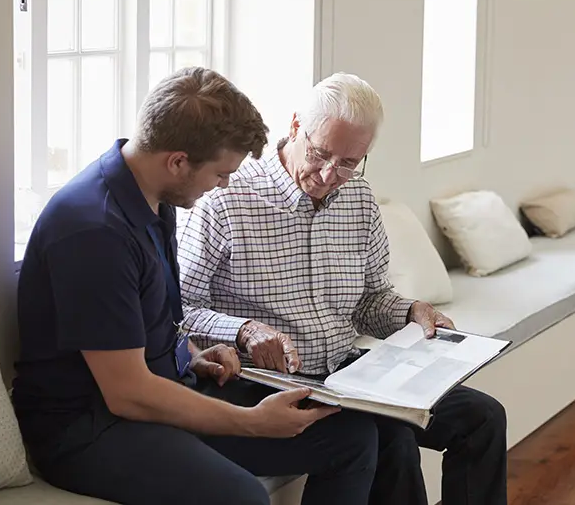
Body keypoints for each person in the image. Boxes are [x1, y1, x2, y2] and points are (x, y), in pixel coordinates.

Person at [11, 68, 379, 505]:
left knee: (351, 438)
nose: (223, 184)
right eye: (221, 173)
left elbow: (154, 322)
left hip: (156, 391)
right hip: (89, 428)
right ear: (178, 161)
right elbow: (128, 393)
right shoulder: (94, 229)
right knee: (241, 497)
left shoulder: (155, 197)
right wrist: (251, 421)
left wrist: (193, 355)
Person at [176, 72, 508, 505]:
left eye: (350, 162)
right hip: (263, 383)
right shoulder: (225, 200)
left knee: (482, 417)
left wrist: (410, 313)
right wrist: (245, 330)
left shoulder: (360, 200)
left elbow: (371, 299)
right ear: (295, 126)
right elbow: (181, 309)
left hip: (348, 374)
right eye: (320, 154)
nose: (331, 174)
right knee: (392, 440)